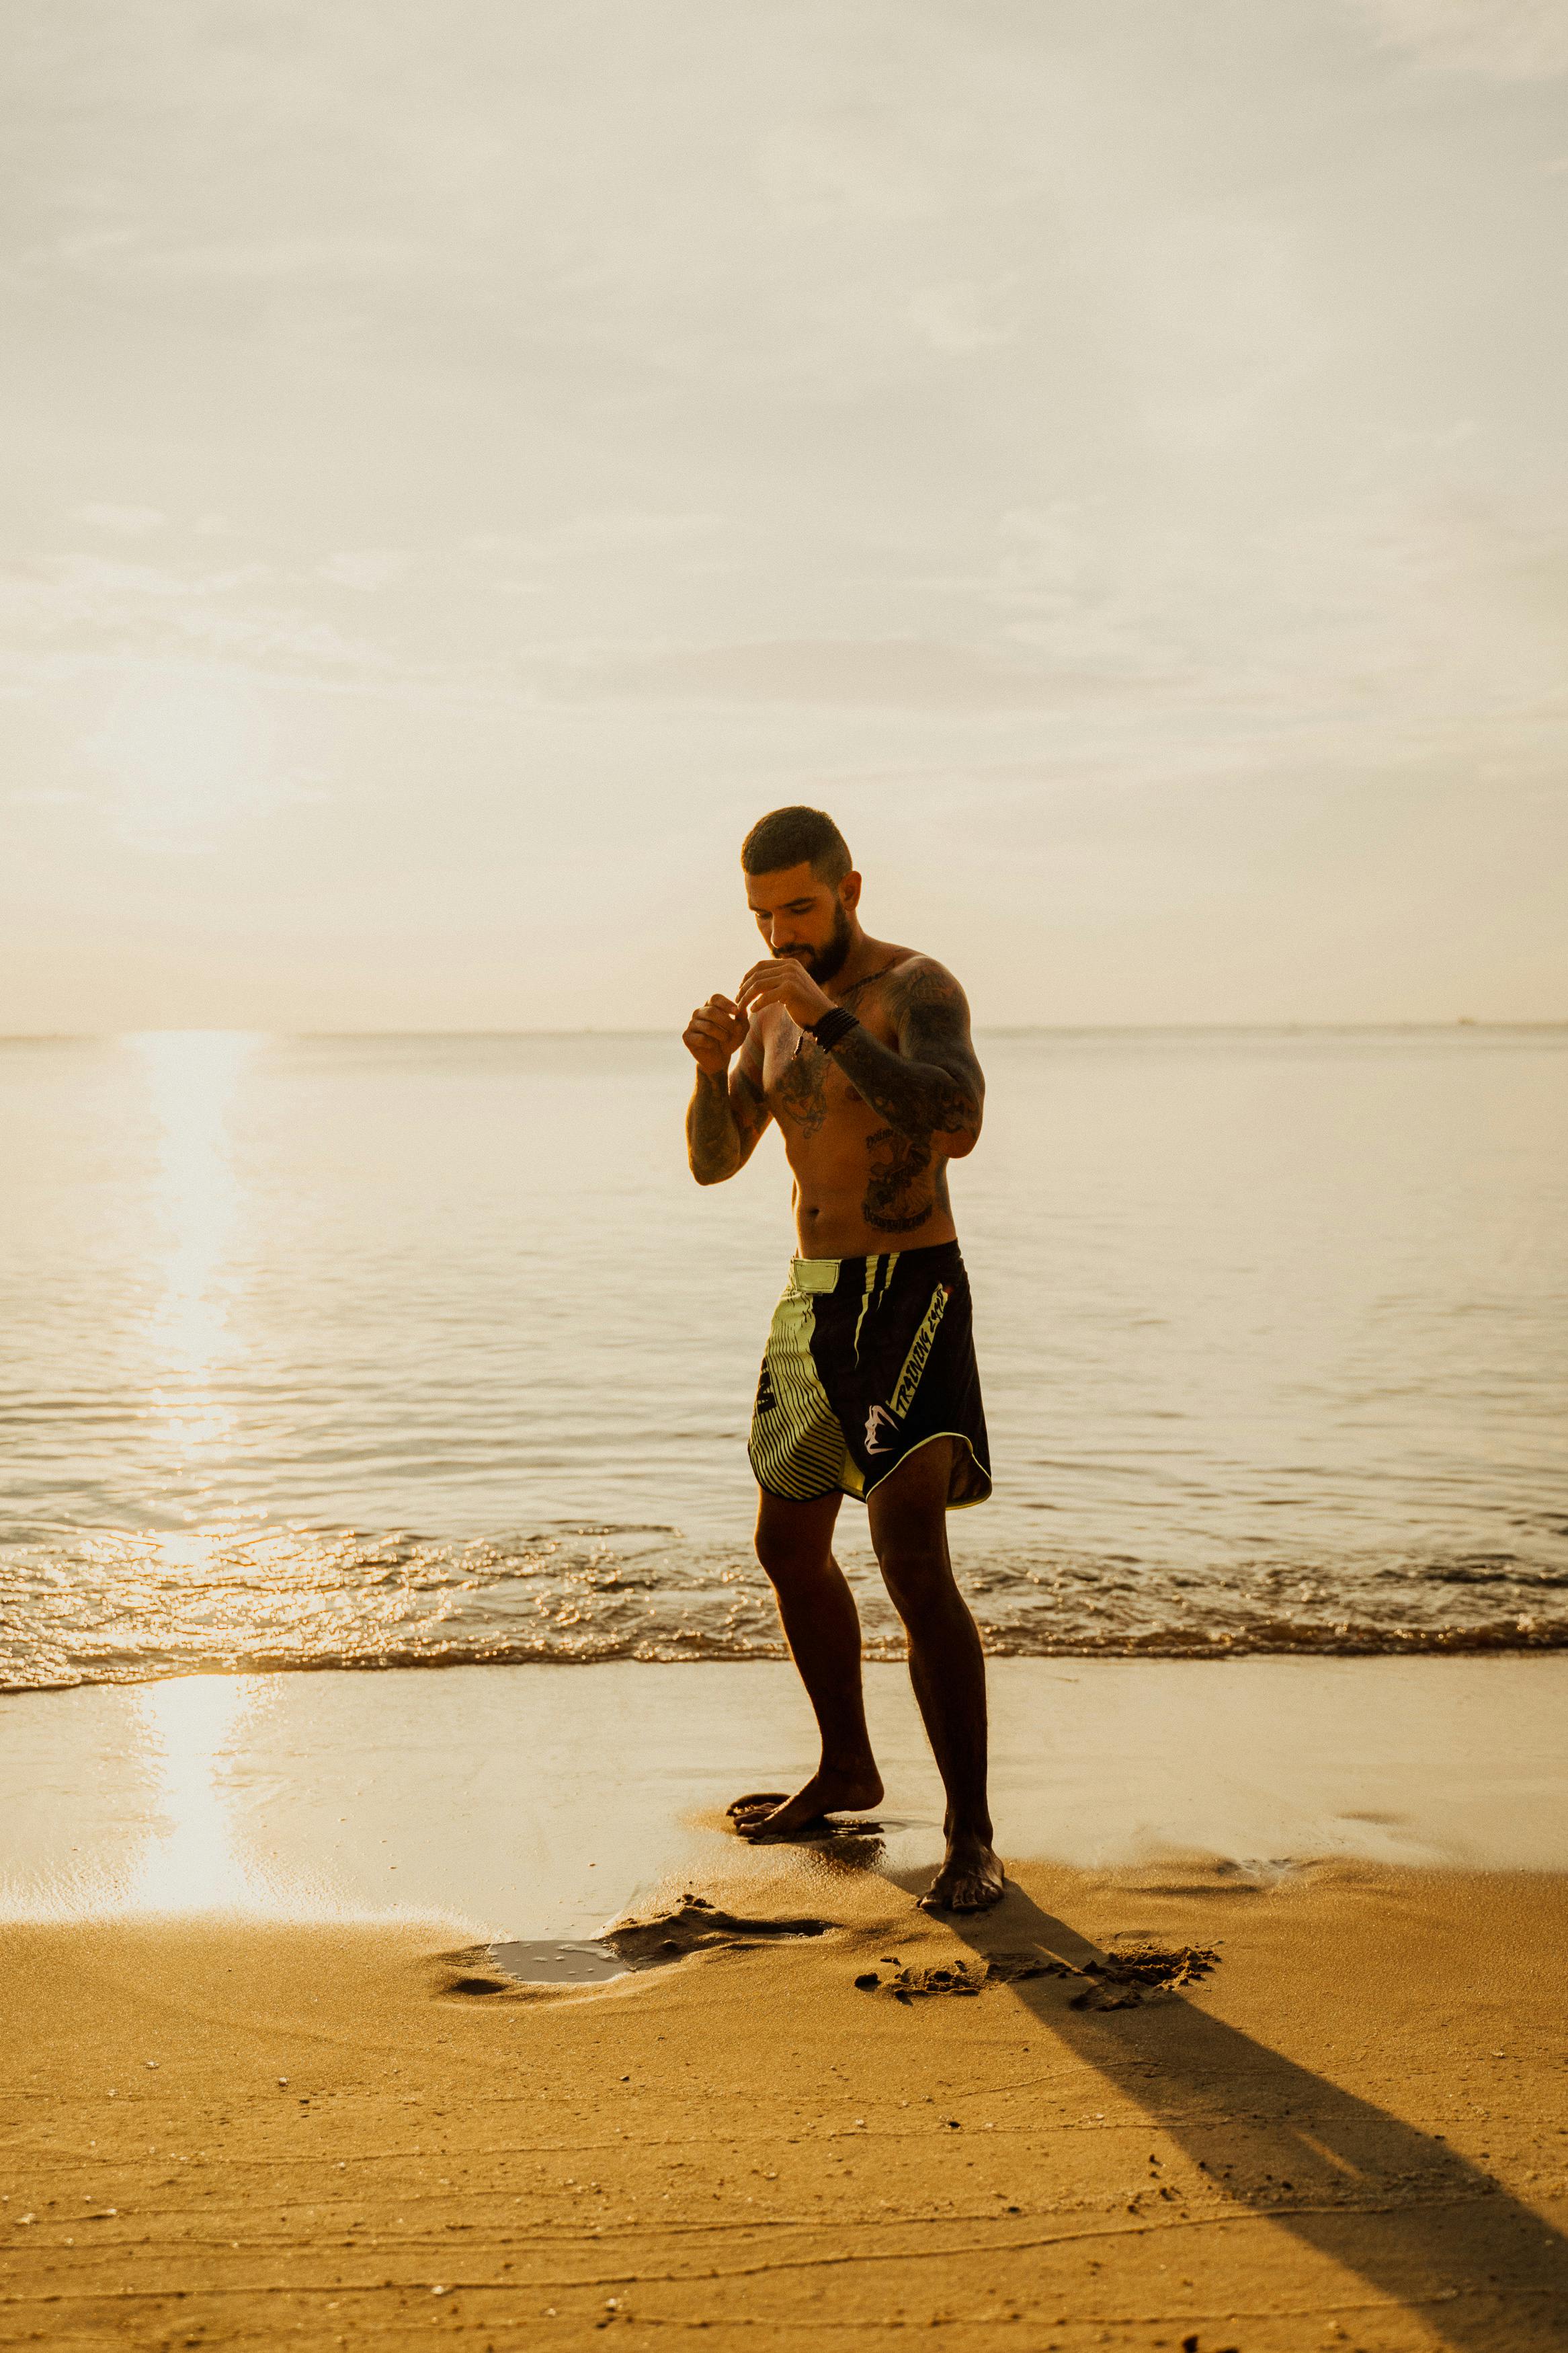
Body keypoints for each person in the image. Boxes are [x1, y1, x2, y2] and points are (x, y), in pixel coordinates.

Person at [682, 805, 1003, 1912]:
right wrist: (710, 1068)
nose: (779, 934)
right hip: (813, 1297)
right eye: (762, 914)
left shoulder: (914, 988)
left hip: (913, 1287)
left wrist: (824, 1021)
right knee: (786, 1544)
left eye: (800, 908)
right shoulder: (770, 1004)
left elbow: (954, 1120)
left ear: (849, 888)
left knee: (909, 1555)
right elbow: (717, 1165)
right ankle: (847, 1766)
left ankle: (970, 1834)